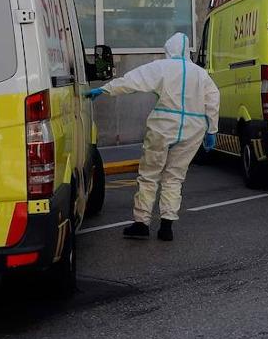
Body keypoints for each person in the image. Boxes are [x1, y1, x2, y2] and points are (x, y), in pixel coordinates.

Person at [87, 32, 219, 242]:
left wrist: (104, 89)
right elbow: (213, 99)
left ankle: (141, 223)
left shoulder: (161, 67)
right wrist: (212, 129)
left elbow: (133, 80)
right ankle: (166, 225)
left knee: (149, 173)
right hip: (193, 128)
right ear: (187, 51)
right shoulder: (201, 74)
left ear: (169, 50)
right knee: (174, 177)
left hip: (164, 125)